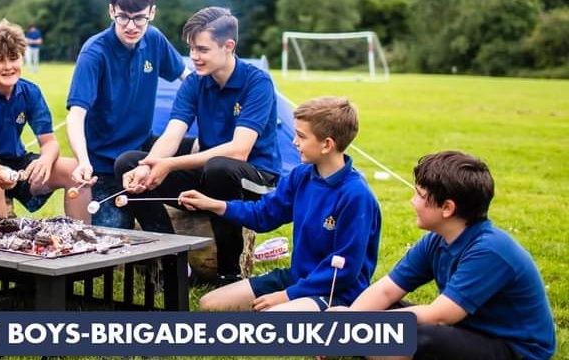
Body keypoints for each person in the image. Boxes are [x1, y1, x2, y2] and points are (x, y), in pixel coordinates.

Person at [333, 151, 555, 360]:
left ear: (447, 208)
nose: (412, 201)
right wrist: (348, 322)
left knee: (421, 337)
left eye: (420, 195)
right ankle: (363, 345)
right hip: (467, 329)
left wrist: (357, 328)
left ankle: (366, 346)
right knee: (383, 307)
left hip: (514, 348)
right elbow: (387, 290)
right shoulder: (436, 239)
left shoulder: (490, 250)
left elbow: (440, 315)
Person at [114, 7, 280, 285]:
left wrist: (169, 164)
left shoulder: (257, 82)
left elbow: (239, 151)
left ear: (228, 46)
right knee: (128, 162)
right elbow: (172, 134)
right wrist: (148, 166)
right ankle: (171, 263)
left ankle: (229, 273)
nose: (194, 56)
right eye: (191, 48)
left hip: (255, 179)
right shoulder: (195, 82)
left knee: (220, 168)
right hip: (210, 172)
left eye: (202, 49)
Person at [182, 96, 380, 311]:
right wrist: (213, 204)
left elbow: (344, 272)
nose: (294, 141)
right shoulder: (301, 175)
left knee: (273, 318)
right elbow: (263, 215)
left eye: (301, 136)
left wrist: (286, 296)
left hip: (336, 291)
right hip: (297, 278)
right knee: (210, 304)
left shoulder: (356, 196)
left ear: (327, 144)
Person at [66, 0, 190, 228]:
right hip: (104, 165)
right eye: (123, 17)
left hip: (144, 153)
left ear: (152, 12)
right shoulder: (94, 52)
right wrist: (83, 161)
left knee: (203, 154)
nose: (131, 26)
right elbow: (76, 115)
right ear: (111, 11)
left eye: (140, 18)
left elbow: (188, 78)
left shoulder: (154, 39)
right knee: (115, 237)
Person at [0, 20, 91, 222]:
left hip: (18, 162)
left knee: (73, 170)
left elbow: (49, 142)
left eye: (14, 58)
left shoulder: (30, 91)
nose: (8, 67)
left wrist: (45, 160)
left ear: (22, 58)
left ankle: (82, 235)